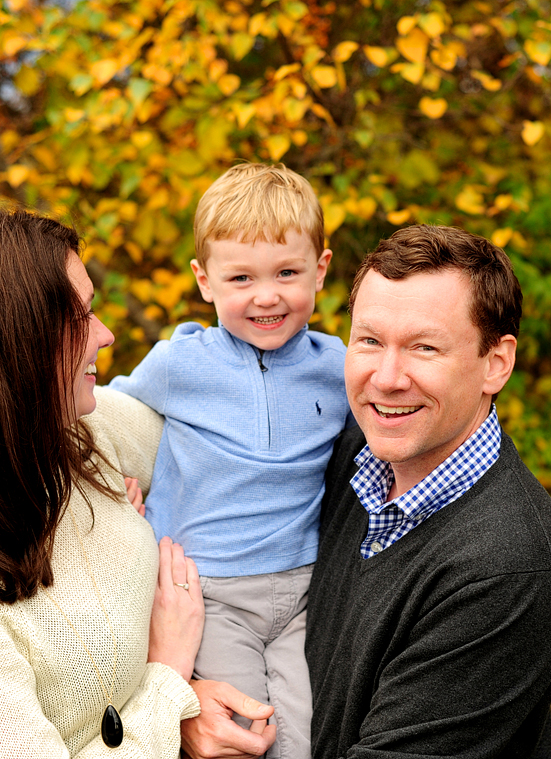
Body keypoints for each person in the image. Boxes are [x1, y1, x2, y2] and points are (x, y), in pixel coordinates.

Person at [181, 224, 551, 759]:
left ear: (495, 363)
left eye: (424, 347)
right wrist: (187, 701)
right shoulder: (344, 456)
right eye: (368, 340)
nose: (386, 378)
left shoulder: (503, 566)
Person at [0, 206, 205, 758]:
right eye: (82, 318)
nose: (107, 335)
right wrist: (169, 684)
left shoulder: (87, 430)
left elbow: (238, 465)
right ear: (12, 345)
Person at [108, 163, 352, 759]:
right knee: (244, 738)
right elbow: (99, 417)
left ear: (320, 269)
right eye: (240, 277)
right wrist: (108, 484)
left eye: (287, 273)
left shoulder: (339, 366)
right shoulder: (179, 365)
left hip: (304, 592)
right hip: (210, 594)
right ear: (204, 280)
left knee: (307, 738)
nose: (266, 296)